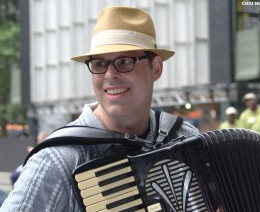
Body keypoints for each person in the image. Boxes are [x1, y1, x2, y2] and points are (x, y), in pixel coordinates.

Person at [0, 6, 199, 211]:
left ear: (156, 68)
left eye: (124, 61)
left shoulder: (185, 138)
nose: (110, 74)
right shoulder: (58, 159)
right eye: (99, 64)